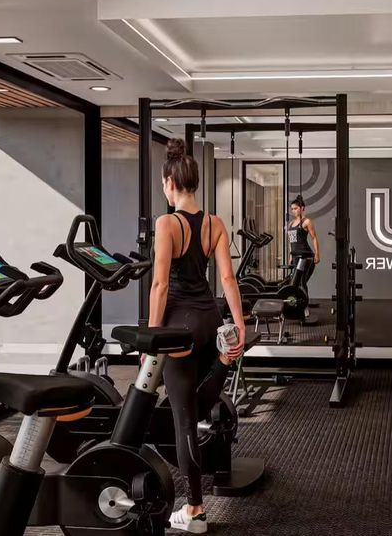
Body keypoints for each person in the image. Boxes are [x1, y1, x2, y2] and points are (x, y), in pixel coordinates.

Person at [148, 138, 246, 534]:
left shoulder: (166, 224)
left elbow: (159, 285)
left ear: (170, 183)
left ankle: (195, 510)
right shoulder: (214, 223)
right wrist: (239, 325)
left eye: (163, 183)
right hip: (210, 317)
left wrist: (151, 339)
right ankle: (223, 360)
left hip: (180, 325)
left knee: (184, 420)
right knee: (201, 401)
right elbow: (228, 279)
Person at [286, 195, 321, 286]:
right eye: (292, 209)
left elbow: (314, 238)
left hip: (305, 257)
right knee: (295, 284)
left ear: (302, 208)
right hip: (295, 257)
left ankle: (303, 296)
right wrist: (290, 256)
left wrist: (317, 254)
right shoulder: (290, 224)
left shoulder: (306, 221)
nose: (293, 211)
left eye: (296, 208)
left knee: (301, 282)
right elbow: (291, 241)